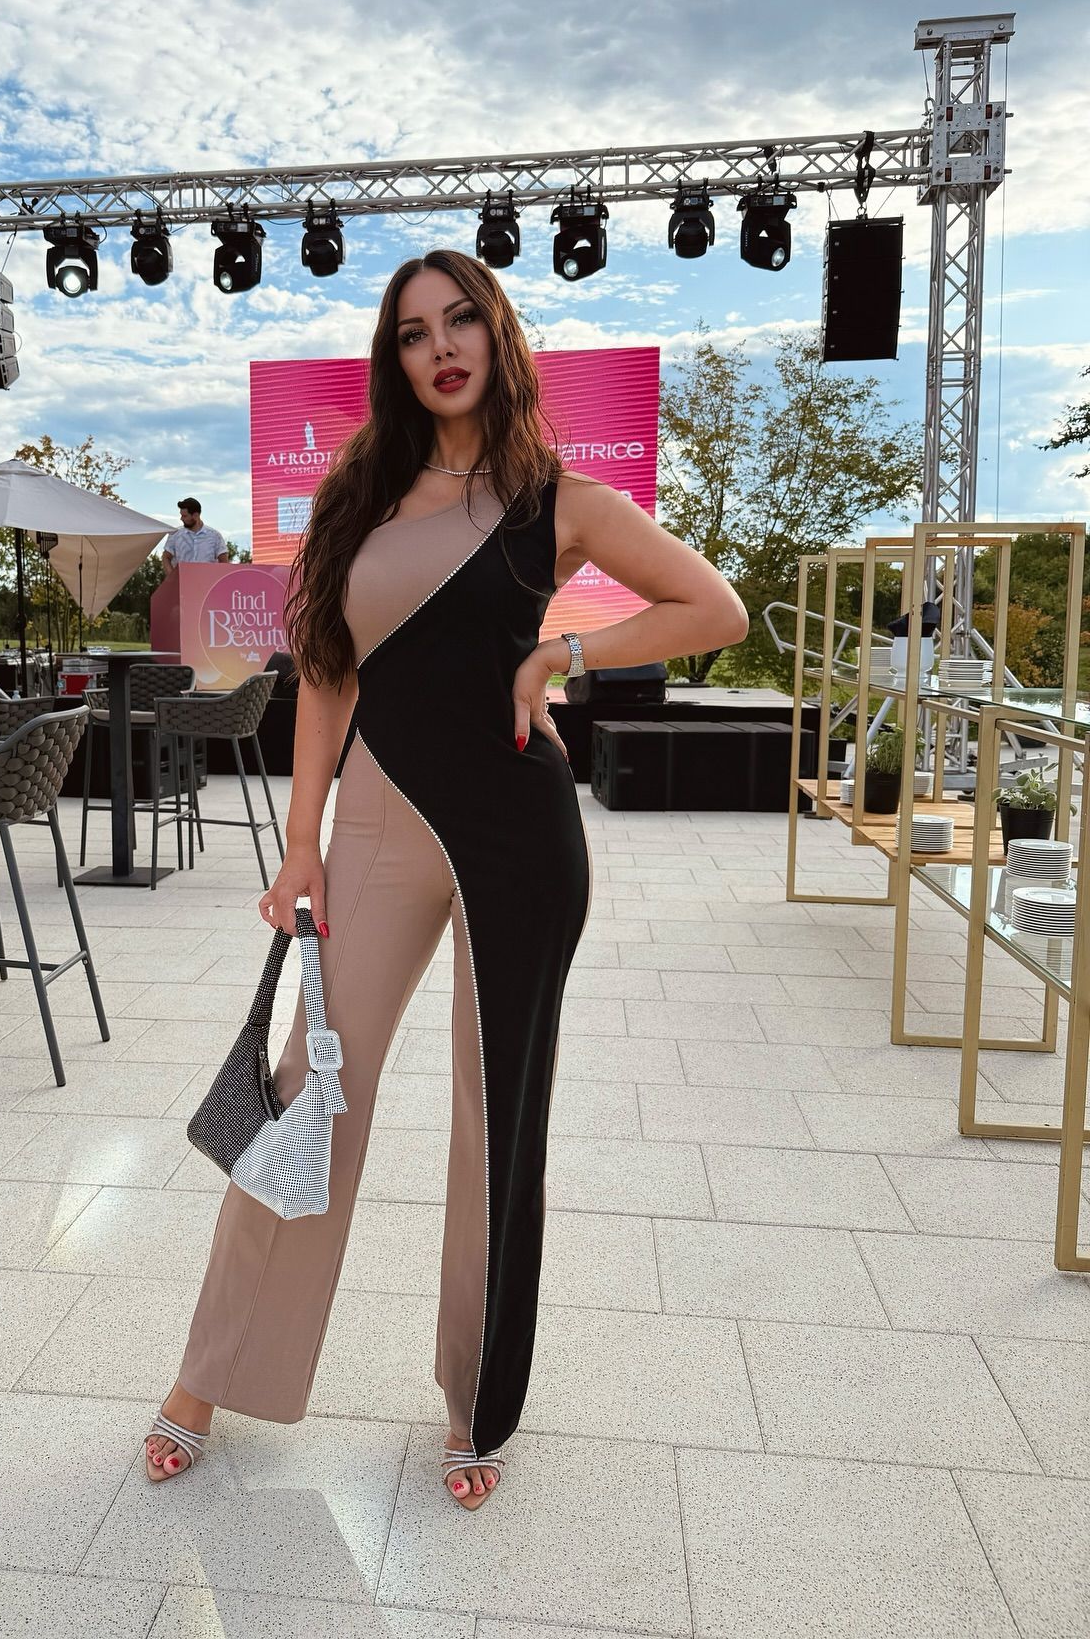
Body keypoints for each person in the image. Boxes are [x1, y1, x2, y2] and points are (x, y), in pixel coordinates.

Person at [142, 250, 748, 1510]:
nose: (442, 347)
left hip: (520, 832)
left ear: (497, 334)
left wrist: (563, 653)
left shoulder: (558, 499)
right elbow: (326, 673)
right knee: (312, 1092)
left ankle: (478, 1400)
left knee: (498, 1111)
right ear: (396, 359)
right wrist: (300, 841)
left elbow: (715, 609)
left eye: (462, 320)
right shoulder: (356, 499)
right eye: (415, 332)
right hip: (375, 824)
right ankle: (209, 1376)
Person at [162, 497, 229, 567]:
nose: (181, 518)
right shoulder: (175, 534)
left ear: (196, 515)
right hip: (183, 574)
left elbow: (224, 562)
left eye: (184, 516)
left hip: (208, 574)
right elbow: (166, 557)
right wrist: (171, 574)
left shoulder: (215, 536)